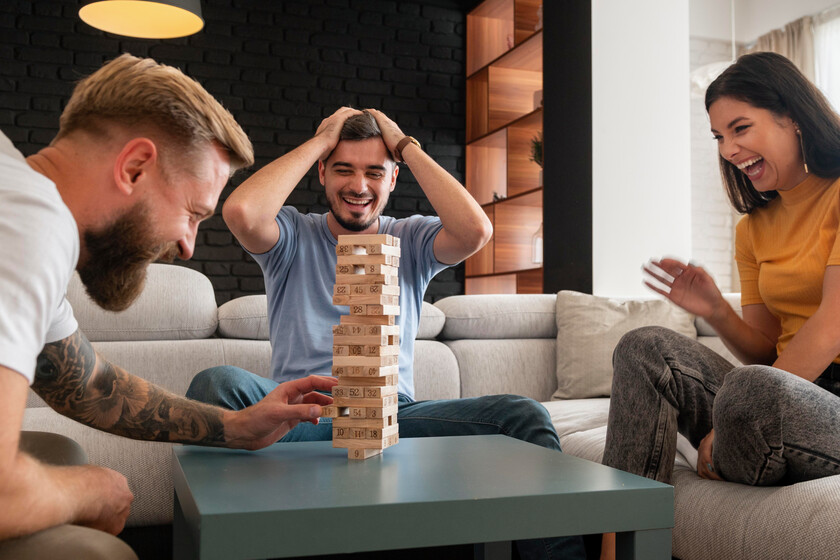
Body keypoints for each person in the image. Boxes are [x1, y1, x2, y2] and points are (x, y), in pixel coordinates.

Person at [186, 107, 587, 559]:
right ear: (321, 172)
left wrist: (404, 144)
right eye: (343, 170)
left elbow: (476, 230)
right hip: (299, 421)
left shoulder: (410, 240)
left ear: (393, 179)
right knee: (215, 385)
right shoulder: (293, 235)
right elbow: (241, 209)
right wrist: (322, 138)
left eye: (375, 172)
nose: (359, 186)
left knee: (525, 416)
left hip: (395, 419)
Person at [0, 54, 338, 560]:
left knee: (57, 455)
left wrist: (236, 428)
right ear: (134, 167)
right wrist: (97, 489)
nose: (188, 246)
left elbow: (89, 386)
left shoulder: (22, 199)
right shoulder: (28, 225)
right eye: (192, 213)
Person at [599, 51, 840, 559]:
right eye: (718, 137)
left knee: (753, 390)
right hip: (779, 396)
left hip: (823, 408)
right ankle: (617, 550)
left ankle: (730, 443)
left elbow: (830, 325)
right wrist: (713, 308)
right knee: (645, 347)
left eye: (741, 128)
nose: (729, 149)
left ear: (792, 117)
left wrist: (733, 414)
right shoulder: (753, 228)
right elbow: (763, 350)